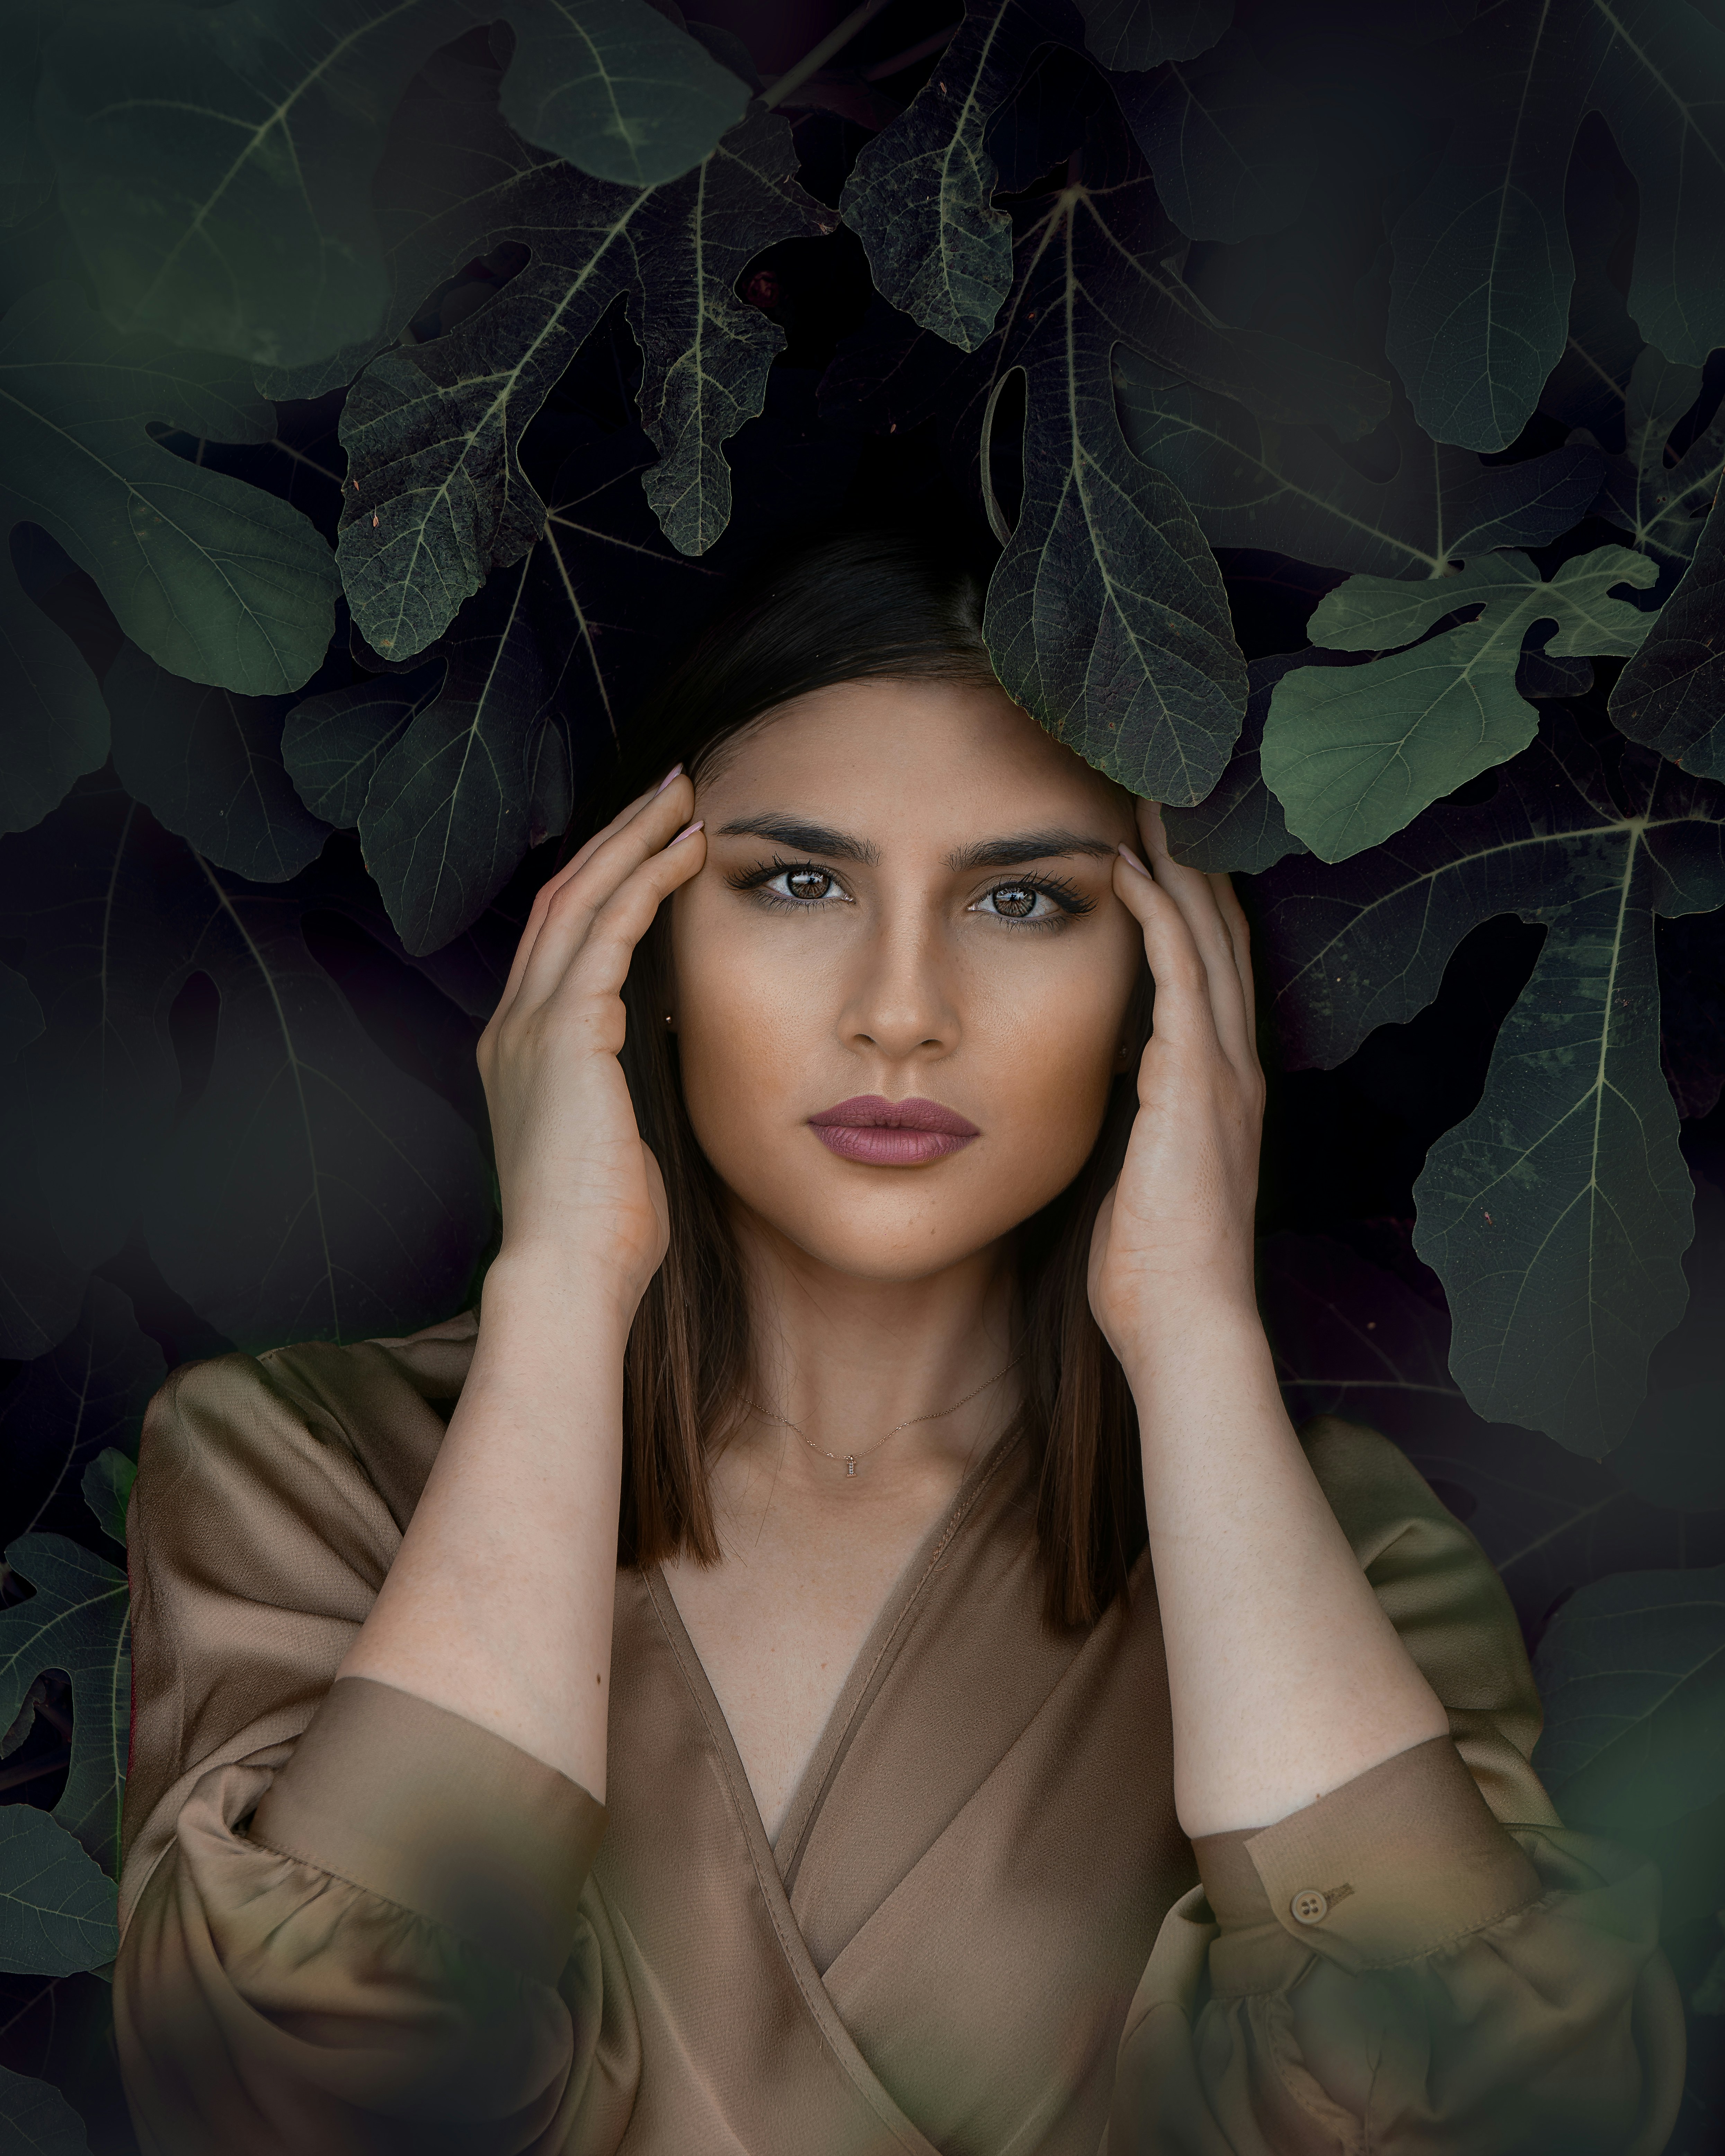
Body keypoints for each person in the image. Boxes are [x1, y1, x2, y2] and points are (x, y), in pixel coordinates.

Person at [114, 532, 1681, 2155]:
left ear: (1163, 987)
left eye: (1023, 899)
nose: (902, 1007)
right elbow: (293, 2096)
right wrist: (563, 1288)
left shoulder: (1338, 1544)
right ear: (634, 948)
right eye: (797, 882)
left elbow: (1505, 2110)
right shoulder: (300, 1462)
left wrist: (1197, 1335)